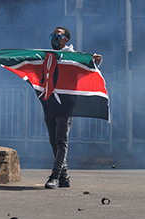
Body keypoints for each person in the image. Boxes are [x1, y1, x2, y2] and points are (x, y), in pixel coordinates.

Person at [43, 26, 102, 189]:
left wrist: (96, 62)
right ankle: (64, 177)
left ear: (65, 40)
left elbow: (90, 70)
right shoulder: (47, 56)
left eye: (58, 35)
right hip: (50, 103)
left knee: (61, 140)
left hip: (66, 103)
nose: (54, 38)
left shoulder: (74, 57)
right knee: (53, 140)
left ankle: (55, 176)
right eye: (52, 34)